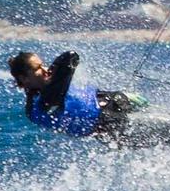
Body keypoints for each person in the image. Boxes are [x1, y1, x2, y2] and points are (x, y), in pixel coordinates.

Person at [8, 50, 146, 138]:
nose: (45, 69)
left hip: (114, 101)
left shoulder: (53, 86)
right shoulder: (41, 104)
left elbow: (71, 59)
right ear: (24, 78)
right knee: (166, 134)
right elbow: (70, 57)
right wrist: (54, 70)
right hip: (111, 125)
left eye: (43, 65)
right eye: (38, 68)